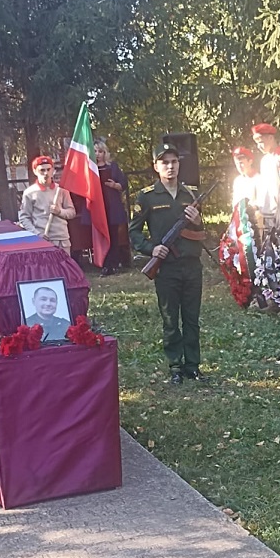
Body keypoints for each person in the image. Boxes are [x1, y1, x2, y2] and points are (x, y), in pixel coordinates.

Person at [129, 143, 206, 384]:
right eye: (164, 162)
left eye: (174, 161)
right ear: (156, 166)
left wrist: (199, 220)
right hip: (166, 267)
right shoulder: (147, 196)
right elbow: (133, 232)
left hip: (192, 264)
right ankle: (175, 366)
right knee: (171, 318)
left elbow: (202, 233)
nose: (170, 166)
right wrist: (152, 248)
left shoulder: (191, 194)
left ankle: (192, 366)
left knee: (192, 318)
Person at [19, 155, 76, 251]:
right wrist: (37, 234)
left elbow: (72, 212)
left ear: (52, 170)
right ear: (35, 171)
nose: (46, 173)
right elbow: (24, 218)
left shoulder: (61, 190)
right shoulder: (29, 193)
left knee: (64, 266)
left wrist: (60, 212)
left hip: (61, 239)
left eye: (48, 169)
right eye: (42, 170)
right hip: (42, 239)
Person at [93, 138, 129, 276]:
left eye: (100, 151)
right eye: (95, 151)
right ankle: (103, 263)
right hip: (98, 207)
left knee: (113, 236)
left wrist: (114, 185)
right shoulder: (90, 167)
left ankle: (113, 264)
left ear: (105, 153)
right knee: (101, 236)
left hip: (112, 206)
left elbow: (123, 184)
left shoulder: (112, 166)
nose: (98, 154)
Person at [251, 123, 280, 230]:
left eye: (261, 142)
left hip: (279, 210)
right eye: (257, 143)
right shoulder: (264, 160)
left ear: (271, 138)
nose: (259, 146)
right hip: (266, 211)